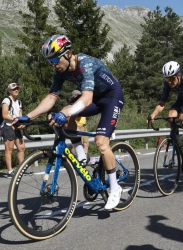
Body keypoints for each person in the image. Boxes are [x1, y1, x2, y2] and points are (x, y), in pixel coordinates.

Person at [14, 34, 124, 210]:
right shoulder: (60, 71)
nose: (53, 64)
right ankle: (81, 155)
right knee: (65, 113)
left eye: (55, 59)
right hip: (94, 97)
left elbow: (86, 98)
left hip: (111, 96)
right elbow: (51, 97)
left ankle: (115, 187)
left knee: (101, 143)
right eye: (49, 61)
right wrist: (28, 116)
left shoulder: (85, 63)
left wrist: (65, 113)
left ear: (68, 54)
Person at [148, 61, 183, 179]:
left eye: (172, 79)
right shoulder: (167, 83)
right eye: (167, 79)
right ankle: (178, 144)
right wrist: (153, 114)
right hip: (182, 102)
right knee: (171, 114)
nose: (170, 82)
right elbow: (162, 104)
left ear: (178, 76)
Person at [1, 83, 26, 178]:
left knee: (22, 148)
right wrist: (15, 120)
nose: (16, 90)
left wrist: (21, 123)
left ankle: (21, 168)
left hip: (16, 126)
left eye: (17, 89)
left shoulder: (19, 102)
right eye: (14, 89)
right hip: (7, 126)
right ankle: (10, 171)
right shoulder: (6, 100)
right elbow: (4, 115)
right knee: (9, 149)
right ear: (9, 91)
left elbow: (20, 116)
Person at [71, 90, 89, 163]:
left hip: (83, 125)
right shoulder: (73, 104)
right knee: (77, 146)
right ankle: (73, 161)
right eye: (77, 95)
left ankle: (83, 161)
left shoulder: (81, 103)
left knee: (86, 144)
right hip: (78, 125)